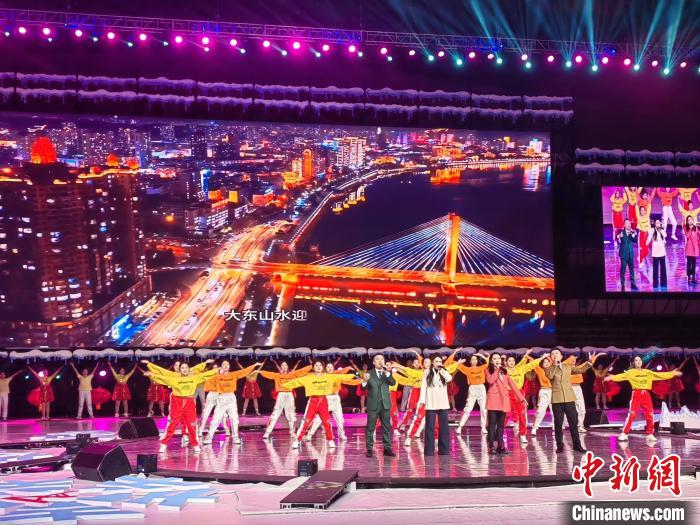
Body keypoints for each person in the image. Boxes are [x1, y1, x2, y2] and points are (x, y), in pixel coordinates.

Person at [143, 360, 219, 453]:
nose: (184, 369)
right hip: (177, 403)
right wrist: (152, 374)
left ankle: (195, 444)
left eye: (186, 368)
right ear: (180, 370)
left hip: (189, 403)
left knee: (192, 425)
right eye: (182, 368)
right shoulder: (174, 378)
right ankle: (164, 444)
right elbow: (163, 377)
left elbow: (205, 375)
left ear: (189, 369)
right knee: (172, 425)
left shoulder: (194, 378)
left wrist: (216, 370)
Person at [604, 356, 682, 441]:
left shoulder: (647, 372)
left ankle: (650, 434)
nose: (638, 361)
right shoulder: (631, 372)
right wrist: (612, 377)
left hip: (646, 394)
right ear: (633, 363)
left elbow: (660, 375)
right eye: (636, 360)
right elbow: (621, 376)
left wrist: (672, 373)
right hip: (636, 394)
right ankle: (624, 433)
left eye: (639, 360)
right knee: (632, 414)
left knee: (650, 414)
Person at [283, 361, 356, 449]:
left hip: (323, 401)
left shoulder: (328, 377)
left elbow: (340, 377)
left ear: (322, 367)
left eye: (320, 365)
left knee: (326, 422)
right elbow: (297, 381)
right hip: (313, 401)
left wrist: (351, 375)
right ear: (313, 367)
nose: (318, 367)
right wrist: (285, 385)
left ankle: (330, 440)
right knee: (306, 422)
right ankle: (297, 440)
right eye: (316, 365)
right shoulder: (309, 378)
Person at [544, 349, 600, 453]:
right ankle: (559, 446)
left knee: (573, 423)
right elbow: (550, 376)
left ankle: (577, 445)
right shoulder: (548, 368)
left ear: (561, 356)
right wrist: (556, 365)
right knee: (558, 424)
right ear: (551, 357)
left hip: (569, 398)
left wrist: (590, 362)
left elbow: (581, 370)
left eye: (557, 353)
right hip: (557, 400)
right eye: (552, 354)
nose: (555, 355)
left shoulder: (567, 367)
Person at [203, 360, 262, 445]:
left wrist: (254, 365)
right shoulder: (217, 377)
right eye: (223, 364)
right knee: (216, 419)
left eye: (227, 364)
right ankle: (209, 437)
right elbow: (206, 380)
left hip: (231, 398)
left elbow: (244, 371)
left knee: (234, 419)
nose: (225, 365)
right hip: (222, 398)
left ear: (229, 366)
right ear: (221, 367)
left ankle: (235, 437)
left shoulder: (233, 374)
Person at [260, 360, 311, 439]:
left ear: (287, 367)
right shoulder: (277, 375)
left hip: (289, 395)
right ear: (280, 367)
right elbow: (267, 374)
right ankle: (267, 433)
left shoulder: (292, 374)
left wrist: (311, 366)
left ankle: (292, 432)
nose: (284, 366)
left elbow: (301, 371)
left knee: (291, 414)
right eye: (282, 365)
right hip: (281, 394)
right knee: (275, 414)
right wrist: (259, 371)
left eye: (285, 365)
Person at [486, 354, 525, 454]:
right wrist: (497, 370)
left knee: (501, 425)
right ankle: (491, 446)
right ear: (491, 361)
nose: (497, 360)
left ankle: (500, 446)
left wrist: (521, 398)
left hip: (503, 401)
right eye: (495, 358)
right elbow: (490, 380)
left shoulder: (505, 371)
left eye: (498, 358)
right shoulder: (489, 370)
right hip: (493, 400)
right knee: (492, 424)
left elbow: (512, 385)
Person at [307, 363, 355, 442]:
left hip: (336, 398)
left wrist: (348, 370)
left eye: (331, 367)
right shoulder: (323, 377)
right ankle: (310, 434)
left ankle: (341, 434)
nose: (329, 368)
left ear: (333, 368)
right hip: (326, 398)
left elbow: (345, 376)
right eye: (328, 367)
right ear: (325, 368)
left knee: (339, 418)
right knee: (319, 418)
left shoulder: (337, 376)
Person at [361, 354, 397, 457]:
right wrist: (364, 380)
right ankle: (369, 449)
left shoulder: (387, 373)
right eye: (377, 359)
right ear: (373, 362)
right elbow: (363, 388)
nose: (380, 361)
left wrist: (387, 373)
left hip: (385, 404)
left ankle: (387, 448)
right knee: (370, 427)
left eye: (382, 359)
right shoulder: (369, 373)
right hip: (373, 404)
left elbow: (393, 383)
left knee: (386, 427)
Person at [504, 350, 544, 443]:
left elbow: (531, 365)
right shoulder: (504, 371)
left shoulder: (520, 369)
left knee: (522, 415)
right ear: (506, 362)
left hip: (519, 394)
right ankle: (499, 433)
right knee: (506, 415)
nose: (511, 362)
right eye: (509, 361)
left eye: (513, 361)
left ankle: (522, 435)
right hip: (508, 394)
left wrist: (541, 358)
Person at [419, 355, 453, 456]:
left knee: (444, 427)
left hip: (443, 402)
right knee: (430, 427)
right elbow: (423, 386)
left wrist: (442, 370)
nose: (439, 363)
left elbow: (449, 379)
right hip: (431, 401)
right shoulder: (427, 372)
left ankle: (444, 450)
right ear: (432, 363)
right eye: (436, 361)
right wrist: (422, 400)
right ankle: (429, 451)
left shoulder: (444, 371)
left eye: (440, 361)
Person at [455, 353, 489, 434]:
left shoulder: (481, 367)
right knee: (468, 409)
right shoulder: (467, 369)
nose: (474, 361)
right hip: (472, 389)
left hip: (481, 388)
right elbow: (456, 365)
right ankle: (460, 427)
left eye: (476, 359)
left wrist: (481, 355)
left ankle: (483, 427)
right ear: (470, 361)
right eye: (472, 359)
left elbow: (488, 362)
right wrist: (459, 362)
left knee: (484, 410)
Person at [617, 218, 638, 291]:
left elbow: (635, 241)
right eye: (627, 223)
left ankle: (633, 284)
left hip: (630, 254)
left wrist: (633, 234)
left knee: (631, 270)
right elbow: (617, 237)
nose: (628, 224)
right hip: (623, 255)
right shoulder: (621, 232)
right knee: (623, 270)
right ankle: (623, 285)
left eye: (629, 223)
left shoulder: (632, 232)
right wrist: (619, 236)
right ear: (624, 225)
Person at [647, 218, 668, 288]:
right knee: (655, 269)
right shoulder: (652, 230)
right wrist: (646, 243)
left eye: (659, 223)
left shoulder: (661, 230)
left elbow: (665, 235)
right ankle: (655, 284)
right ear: (654, 224)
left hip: (662, 252)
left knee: (663, 268)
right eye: (657, 223)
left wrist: (661, 230)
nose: (658, 224)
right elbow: (649, 238)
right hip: (655, 253)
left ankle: (663, 283)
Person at [682, 215, 699, 285]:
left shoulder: (695, 228)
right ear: (687, 222)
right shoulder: (686, 228)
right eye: (689, 220)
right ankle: (689, 279)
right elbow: (687, 236)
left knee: (694, 264)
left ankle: (693, 278)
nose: (690, 221)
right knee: (689, 264)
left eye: (691, 219)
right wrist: (690, 229)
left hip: (695, 249)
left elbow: (698, 235)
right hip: (689, 249)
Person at [636, 204, 652, 269]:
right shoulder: (639, 217)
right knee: (641, 249)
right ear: (639, 211)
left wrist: (649, 202)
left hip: (647, 235)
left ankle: (639, 257)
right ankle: (640, 262)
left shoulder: (647, 217)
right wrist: (636, 204)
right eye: (641, 210)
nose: (642, 211)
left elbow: (649, 208)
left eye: (643, 210)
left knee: (646, 251)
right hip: (641, 235)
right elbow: (636, 210)